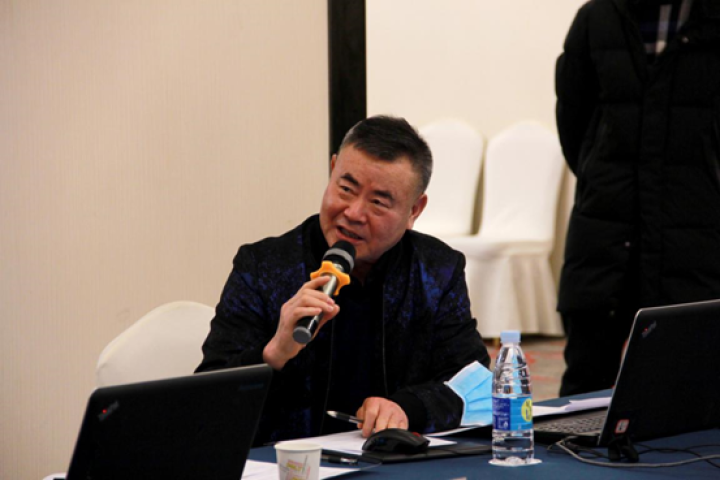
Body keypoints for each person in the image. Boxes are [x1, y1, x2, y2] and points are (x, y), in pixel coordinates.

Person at [196, 115, 490, 445]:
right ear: (333, 169)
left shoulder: (437, 269)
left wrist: (408, 408)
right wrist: (274, 352)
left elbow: (473, 384)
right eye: (346, 189)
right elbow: (208, 400)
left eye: (378, 202)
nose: (353, 213)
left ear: (414, 211)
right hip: (288, 463)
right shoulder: (262, 267)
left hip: (394, 462)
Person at [555, 0, 720, 396]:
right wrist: (601, 177)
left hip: (693, 234)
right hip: (604, 231)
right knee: (584, 386)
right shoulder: (596, 18)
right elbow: (574, 119)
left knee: (690, 391)